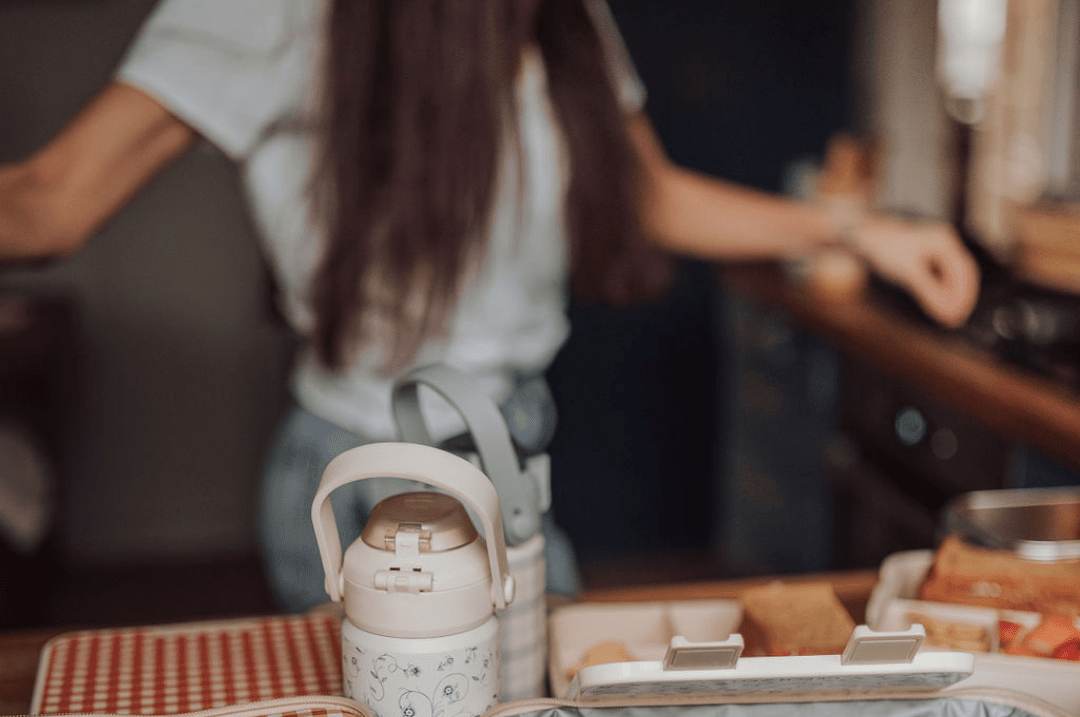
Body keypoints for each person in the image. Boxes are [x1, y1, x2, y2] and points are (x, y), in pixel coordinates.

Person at [0, 0, 979, 611]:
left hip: (513, 465)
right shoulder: (276, 11)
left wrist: (858, 231)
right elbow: (45, 204)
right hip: (374, 477)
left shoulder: (565, 17)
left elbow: (648, 193)